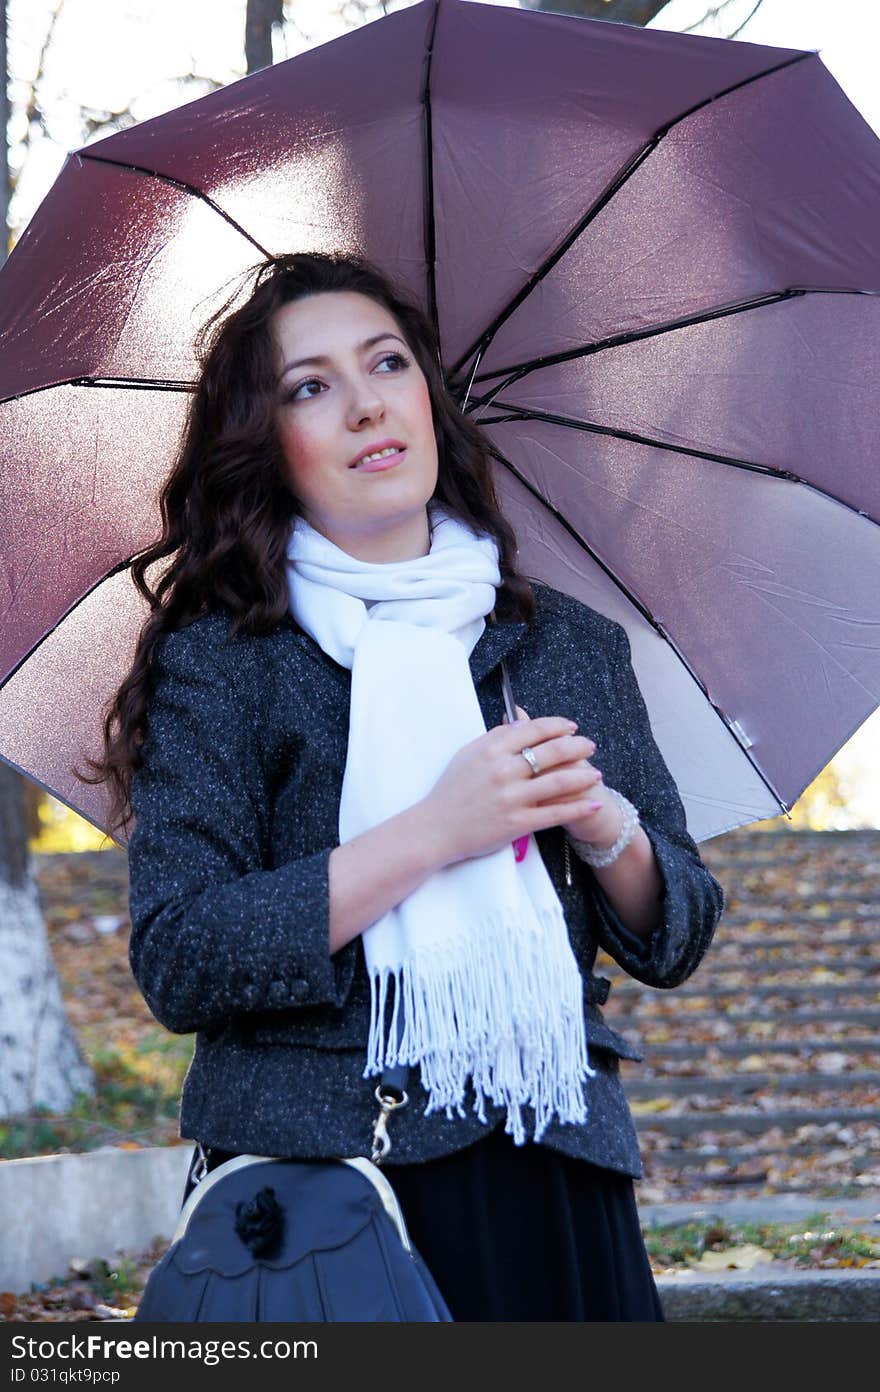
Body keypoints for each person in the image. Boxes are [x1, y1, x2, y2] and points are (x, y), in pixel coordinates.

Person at [81, 250, 725, 1322]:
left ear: (430, 395)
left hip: (552, 1170)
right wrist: (433, 832)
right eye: (311, 386)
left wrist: (606, 827)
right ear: (268, 443)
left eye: (386, 363)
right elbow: (182, 956)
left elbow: (676, 934)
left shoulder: (563, 644)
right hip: (330, 1188)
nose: (365, 405)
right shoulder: (222, 659)